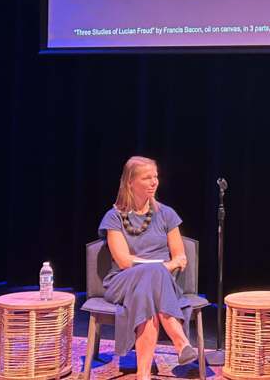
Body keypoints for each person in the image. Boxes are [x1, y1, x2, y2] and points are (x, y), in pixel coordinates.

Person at [98, 156, 196, 380]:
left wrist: (161, 268)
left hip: (161, 285)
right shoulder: (114, 217)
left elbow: (180, 256)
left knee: (147, 294)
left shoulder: (167, 214)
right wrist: (162, 266)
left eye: (156, 177)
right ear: (130, 182)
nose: (154, 182)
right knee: (153, 274)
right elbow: (124, 262)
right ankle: (180, 341)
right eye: (147, 178)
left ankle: (143, 375)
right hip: (123, 281)